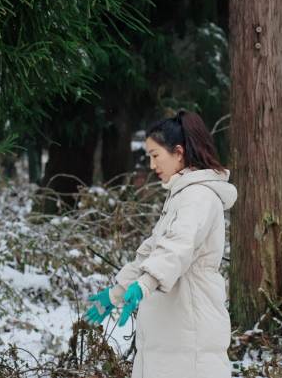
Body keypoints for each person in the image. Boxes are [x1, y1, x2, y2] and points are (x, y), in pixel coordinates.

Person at [85, 110, 237, 378]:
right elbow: (152, 252)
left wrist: (145, 284)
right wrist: (116, 293)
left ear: (178, 152)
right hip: (173, 327)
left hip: (189, 325)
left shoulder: (198, 196)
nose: (152, 165)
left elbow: (178, 248)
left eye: (156, 156)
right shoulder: (181, 196)